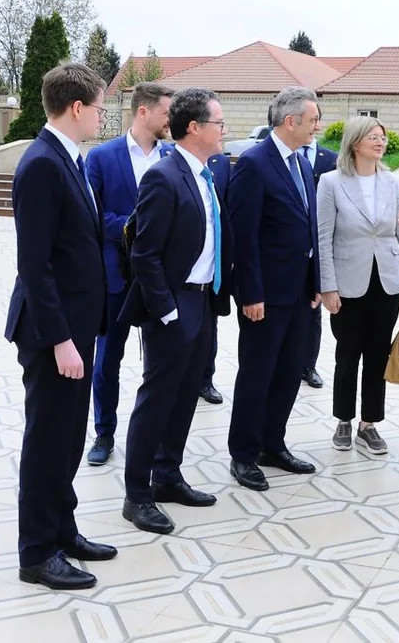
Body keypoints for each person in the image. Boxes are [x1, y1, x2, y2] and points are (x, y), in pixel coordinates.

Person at [4, 62, 115, 590]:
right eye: (99, 108)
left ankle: (62, 530)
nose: (102, 117)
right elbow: (36, 265)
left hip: (77, 327)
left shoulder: (69, 157)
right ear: (76, 108)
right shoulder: (42, 165)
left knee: (69, 437)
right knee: (48, 441)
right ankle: (36, 552)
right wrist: (62, 340)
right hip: (54, 334)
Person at [117, 88, 233, 534]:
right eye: (219, 123)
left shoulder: (206, 174)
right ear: (195, 128)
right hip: (174, 304)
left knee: (186, 395)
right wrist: (166, 311)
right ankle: (136, 495)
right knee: (158, 398)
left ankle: (167, 476)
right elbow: (144, 254)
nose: (224, 130)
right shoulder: (163, 177)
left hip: (203, 300)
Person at [226, 86, 323, 491]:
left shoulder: (300, 162)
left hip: (300, 292)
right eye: (313, 120)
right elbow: (243, 235)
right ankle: (244, 454)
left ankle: (272, 444)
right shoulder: (254, 163)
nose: (318, 126)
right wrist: (250, 293)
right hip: (265, 295)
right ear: (291, 121)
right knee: (258, 373)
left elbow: (310, 227)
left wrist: (316, 282)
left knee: (288, 371)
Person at [82, 82, 173, 466]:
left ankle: (153, 436)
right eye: (166, 112)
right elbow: (91, 215)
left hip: (160, 279)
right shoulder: (102, 157)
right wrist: (133, 228)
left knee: (161, 361)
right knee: (107, 361)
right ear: (143, 112)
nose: (171, 119)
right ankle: (104, 432)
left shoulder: (173, 157)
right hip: (116, 277)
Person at [317, 117, 399, 455]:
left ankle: (369, 424)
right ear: (355, 142)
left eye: (382, 137)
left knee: (378, 354)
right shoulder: (331, 182)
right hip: (347, 282)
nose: (380, 142)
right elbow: (323, 237)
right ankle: (343, 419)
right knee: (347, 353)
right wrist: (328, 286)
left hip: (387, 280)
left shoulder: (393, 182)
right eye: (373, 137)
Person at [299, 132, 338, 390]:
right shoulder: (289, 157)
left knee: (314, 309)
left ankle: (308, 365)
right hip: (294, 244)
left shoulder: (330, 159)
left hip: (320, 241)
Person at [197, 146, 230, 406]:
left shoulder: (221, 163)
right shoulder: (171, 165)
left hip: (215, 272)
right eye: (218, 126)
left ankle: (206, 380)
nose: (224, 130)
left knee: (210, 330)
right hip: (186, 277)